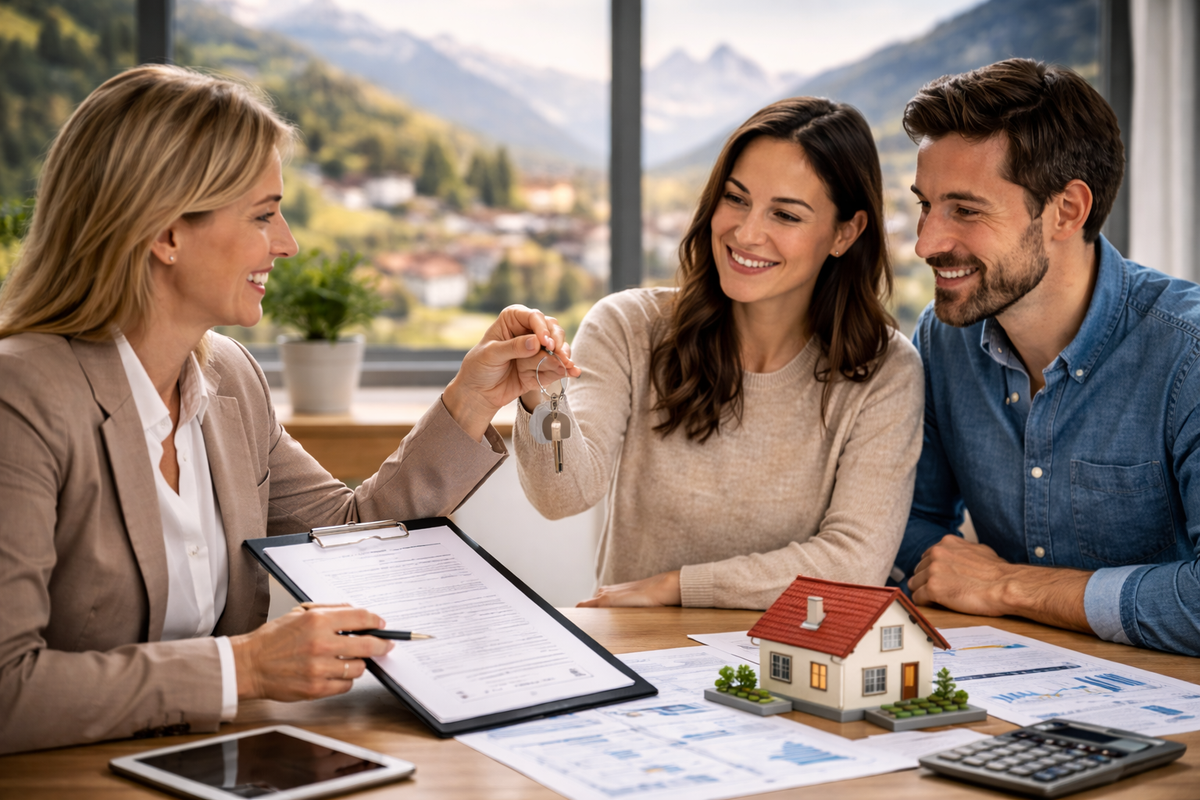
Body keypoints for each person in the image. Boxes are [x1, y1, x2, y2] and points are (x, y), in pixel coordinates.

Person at [0, 65, 577, 754]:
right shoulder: (21, 397)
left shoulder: (230, 380)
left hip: (216, 766)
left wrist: (471, 401)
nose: (287, 243)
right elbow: (8, 688)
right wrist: (242, 668)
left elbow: (348, 534)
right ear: (166, 234)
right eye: (263, 214)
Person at [513, 98, 924, 610]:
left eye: (785, 214)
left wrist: (679, 587)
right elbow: (562, 495)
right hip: (638, 646)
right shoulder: (629, 327)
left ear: (845, 232)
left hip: (791, 651)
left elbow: (854, 562)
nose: (746, 233)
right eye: (736, 198)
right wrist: (540, 393)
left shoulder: (886, 372)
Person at [893, 57, 1200, 657]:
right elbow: (910, 522)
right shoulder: (944, 338)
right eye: (926, 204)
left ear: (1067, 210)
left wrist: (1009, 586)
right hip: (1011, 678)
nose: (926, 242)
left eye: (966, 210)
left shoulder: (1187, 354)